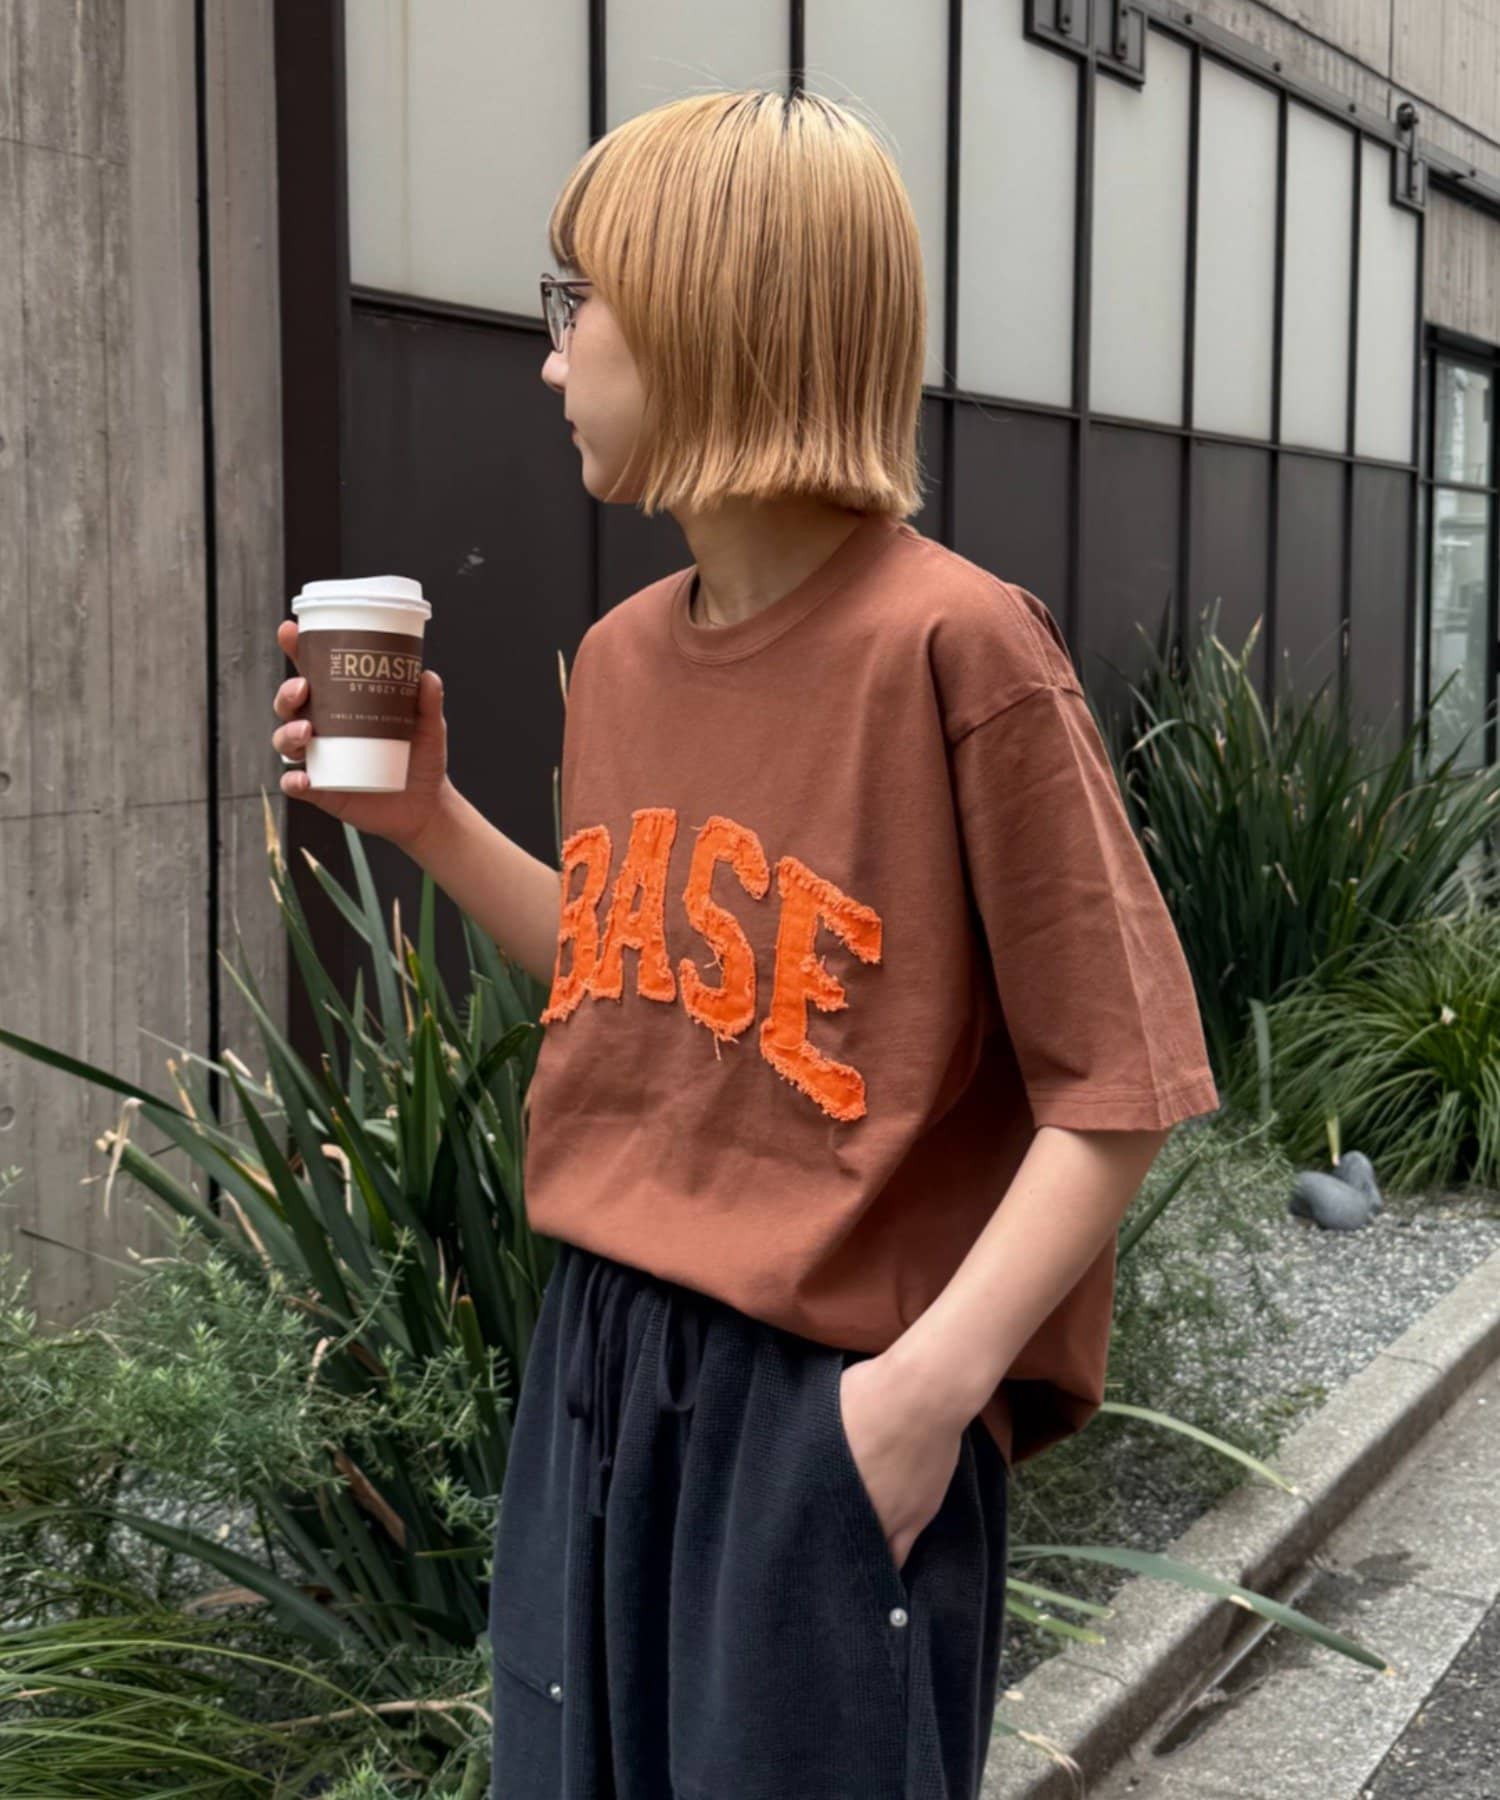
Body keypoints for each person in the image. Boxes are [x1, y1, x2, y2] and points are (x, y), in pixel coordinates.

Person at [271, 87, 1220, 1800]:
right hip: (598, 1364)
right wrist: (428, 821)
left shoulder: (960, 649)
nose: (550, 359)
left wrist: (918, 1401)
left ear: (713, 314)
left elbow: (1122, 1082)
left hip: (824, 1403)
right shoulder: (625, 654)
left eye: (579, 303)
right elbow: (637, 974)